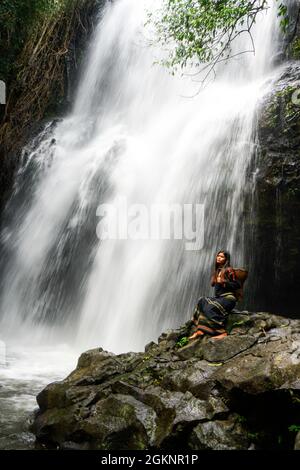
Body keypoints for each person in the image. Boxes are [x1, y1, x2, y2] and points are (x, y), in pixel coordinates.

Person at [189, 250, 242, 340]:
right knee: (202, 301)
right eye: (218, 256)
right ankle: (200, 330)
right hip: (219, 298)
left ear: (226, 259)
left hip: (228, 299)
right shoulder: (217, 271)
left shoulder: (229, 270)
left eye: (222, 257)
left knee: (210, 308)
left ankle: (222, 332)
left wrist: (224, 282)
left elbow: (237, 285)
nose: (219, 258)